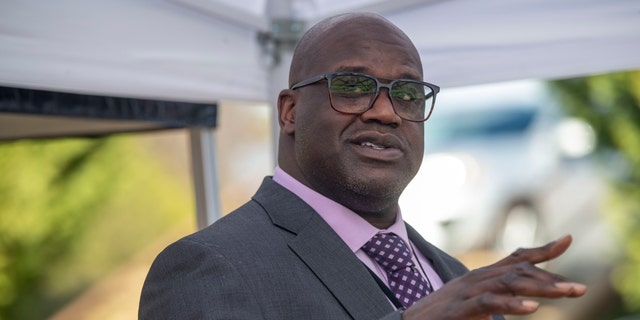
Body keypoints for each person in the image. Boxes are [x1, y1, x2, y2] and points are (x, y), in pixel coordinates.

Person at [139, 12, 586, 320]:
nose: (387, 112)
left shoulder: (456, 276)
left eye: (408, 94)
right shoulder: (208, 267)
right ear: (290, 111)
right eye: (353, 86)